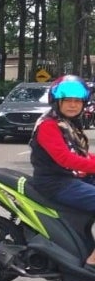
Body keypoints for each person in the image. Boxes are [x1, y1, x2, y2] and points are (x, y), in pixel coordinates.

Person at [30, 76, 95, 270]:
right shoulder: (48, 125)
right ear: (57, 102)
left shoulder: (68, 123)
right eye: (68, 100)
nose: (73, 105)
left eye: (77, 101)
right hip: (56, 183)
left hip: (71, 178)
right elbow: (64, 159)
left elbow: (81, 155)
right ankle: (93, 260)